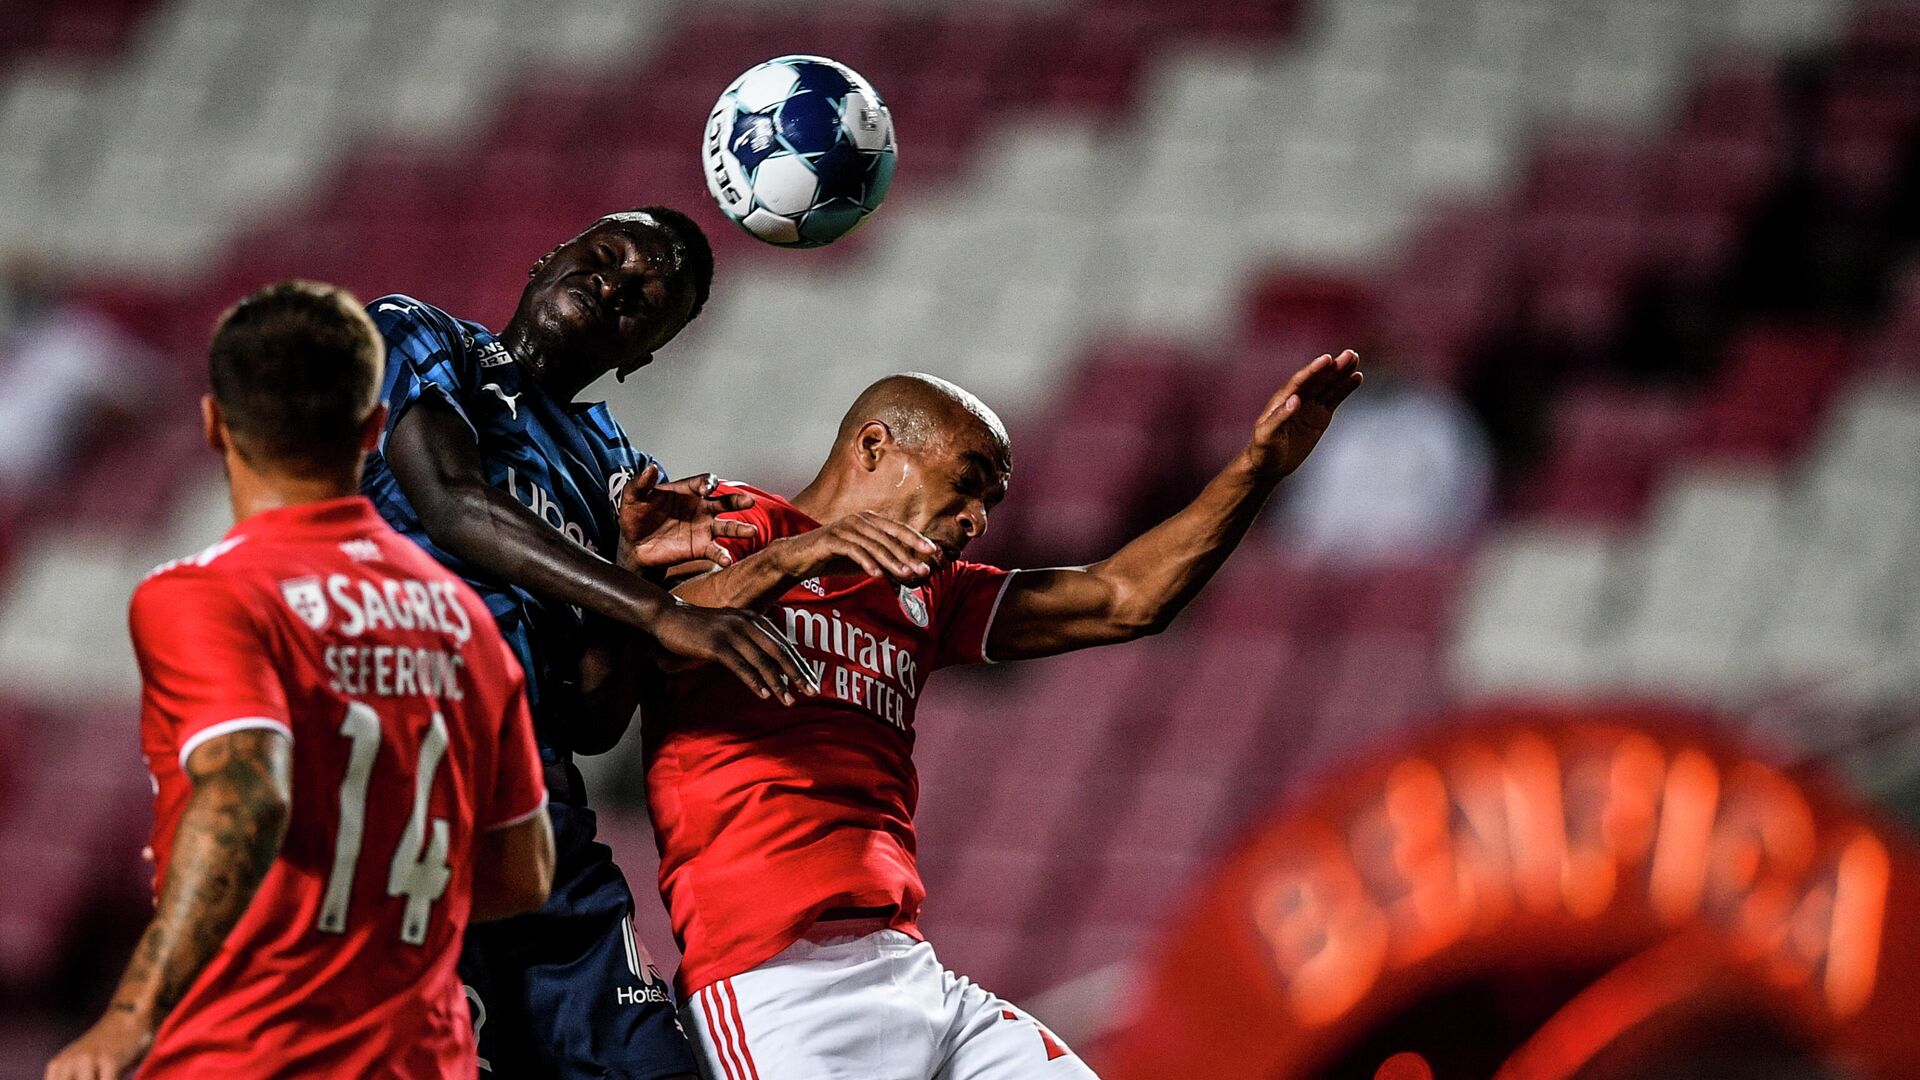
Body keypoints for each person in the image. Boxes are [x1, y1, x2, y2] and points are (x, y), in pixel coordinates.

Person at [622, 351, 1362, 1078]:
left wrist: (1257, 469)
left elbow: (1124, 598)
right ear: (875, 446)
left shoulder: (929, 594)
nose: (976, 519)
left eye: (991, 502)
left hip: (911, 969)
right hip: (772, 980)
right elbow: (659, 627)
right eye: (966, 485)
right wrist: (802, 556)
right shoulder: (735, 522)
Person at [46, 281, 555, 1079]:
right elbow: (521, 875)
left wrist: (129, 1017)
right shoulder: (464, 621)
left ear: (214, 423)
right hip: (423, 1058)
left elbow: (246, 789)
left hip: (249, 1053)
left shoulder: (209, 594)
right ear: (374, 427)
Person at [360, 206, 806, 1079]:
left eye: (645, 300)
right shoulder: (414, 334)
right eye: (605, 258)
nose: (616, 284)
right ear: (545, 258)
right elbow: (449, 500)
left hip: (543, 812)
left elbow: (594, 716)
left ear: (640, 355)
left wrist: (634, 573)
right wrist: (659, 611)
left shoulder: (616, 467)